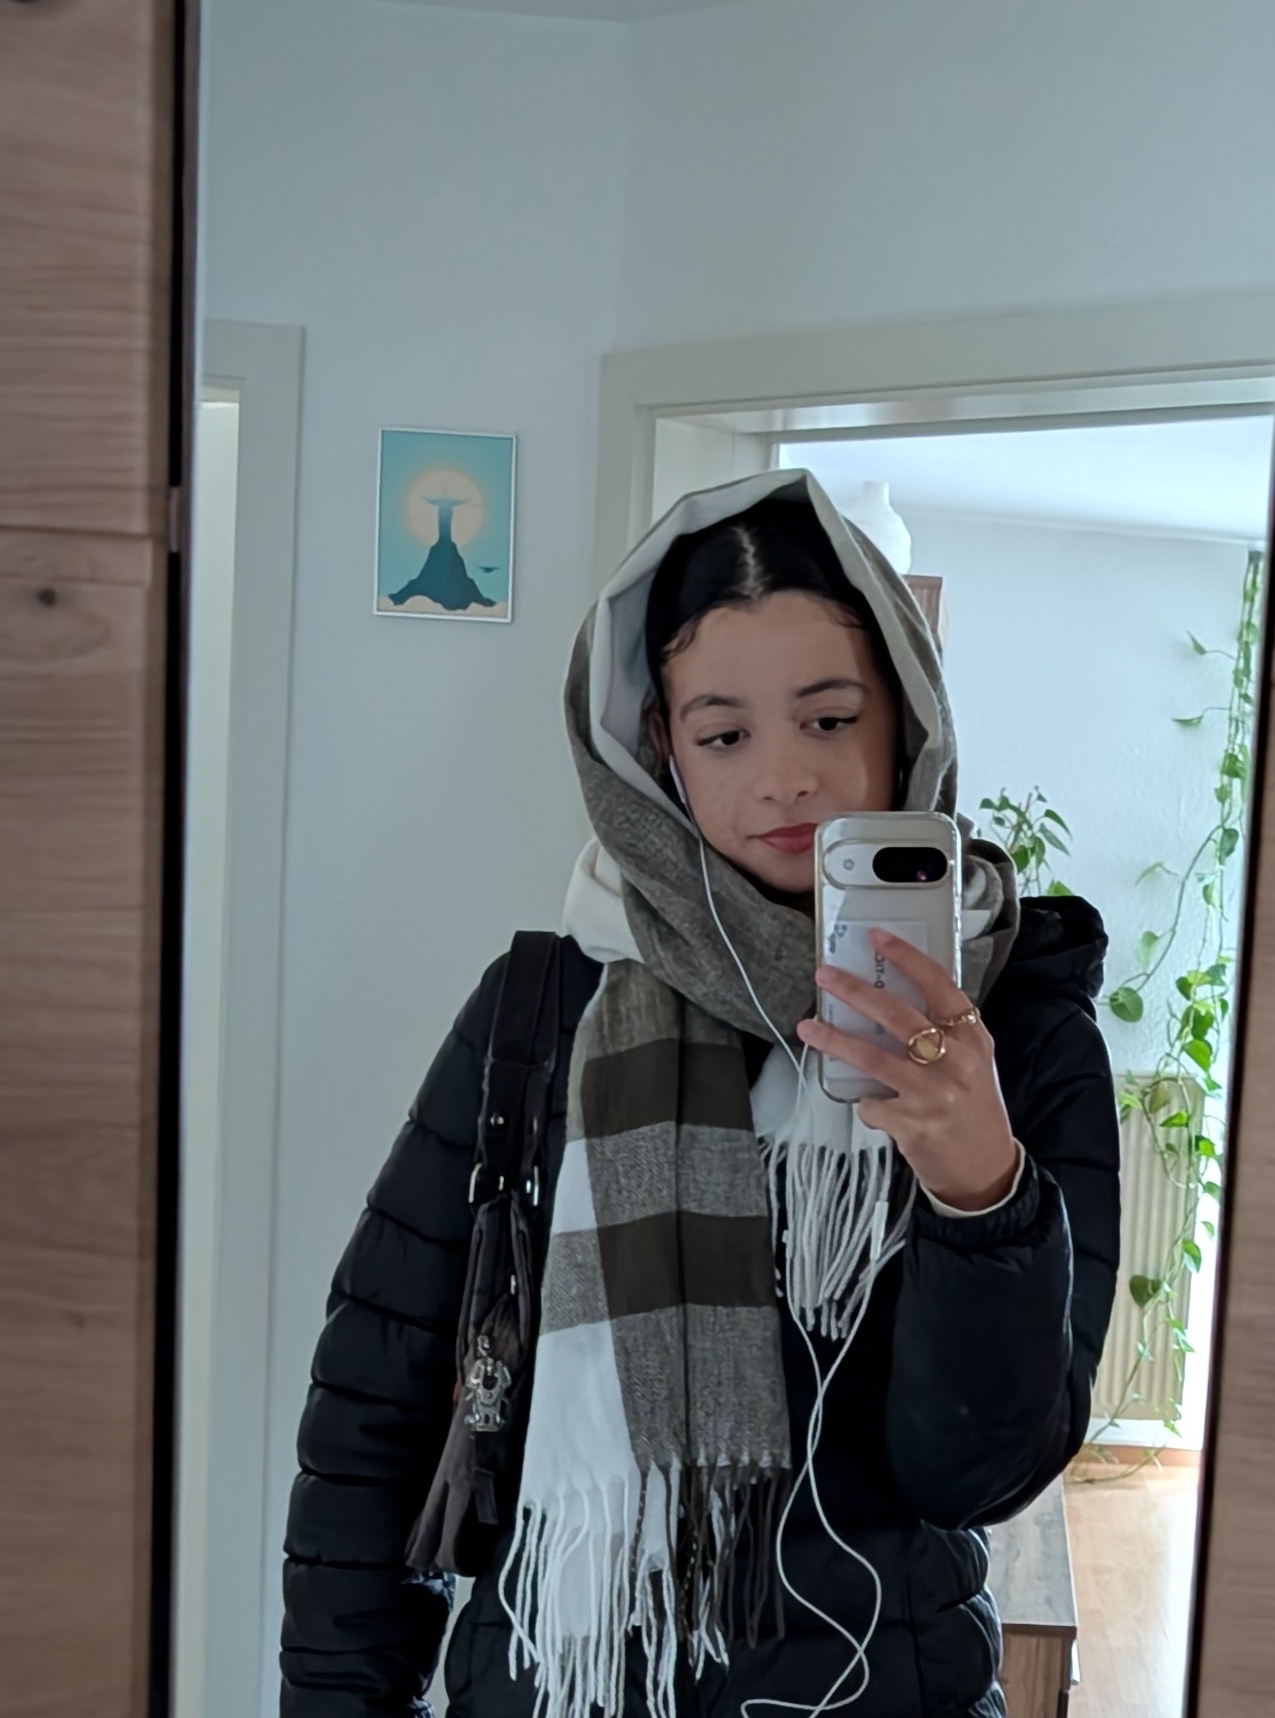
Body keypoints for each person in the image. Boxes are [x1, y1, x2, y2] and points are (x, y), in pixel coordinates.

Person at [280, 472, 1121, 1718]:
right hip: (551, 1686)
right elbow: (374, 1412)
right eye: (725, 734)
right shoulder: (544, 1006)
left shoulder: (1016, 1025)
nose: (783, 779)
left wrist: (980, 1195)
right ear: (657, 750)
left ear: (905, 721)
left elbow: (973, 1474)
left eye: (828, 719)